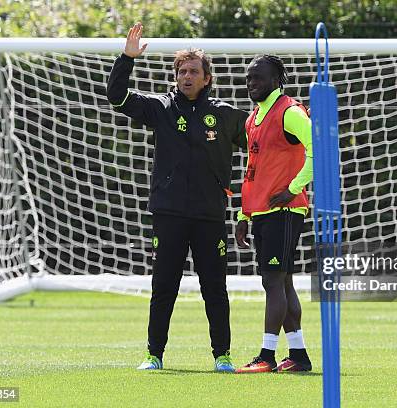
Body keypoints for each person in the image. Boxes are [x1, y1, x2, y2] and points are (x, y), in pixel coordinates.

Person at [106, 22, 247, 372]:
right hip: (168, 213)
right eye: (182, 71)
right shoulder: (160, 108)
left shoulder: (227, 116)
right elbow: (117, 96)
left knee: (215, 288)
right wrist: (127, 58)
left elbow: (260, 143)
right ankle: (154, 354)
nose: (186, 76)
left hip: (210, 214)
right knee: (164, 285)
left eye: (193, 72)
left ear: (206, 78)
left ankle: (223, 355)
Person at [235, 55, 313, 373]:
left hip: (285, 210)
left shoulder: (290, 112)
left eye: (259, 78)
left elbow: (320, 150)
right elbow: (253, 171)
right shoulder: (252, 119)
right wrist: (244, 214)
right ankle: (299, 355)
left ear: (276, 80)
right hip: (263, 212)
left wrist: (294, 187)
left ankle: (266, 357)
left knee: (273, 281)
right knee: (283, 283)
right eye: (249, 78)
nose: (252, 83)